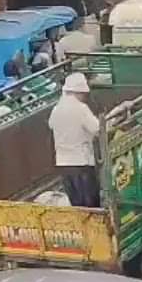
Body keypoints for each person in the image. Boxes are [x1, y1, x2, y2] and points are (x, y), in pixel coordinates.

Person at [48, 72, 101, 208]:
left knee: (77, 205)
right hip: (82, 163)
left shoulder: (56, 110)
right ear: (79, 92)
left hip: (63, 164)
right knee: (91, 205)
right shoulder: (80, 109)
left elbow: (51, 125)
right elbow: (97, 129)